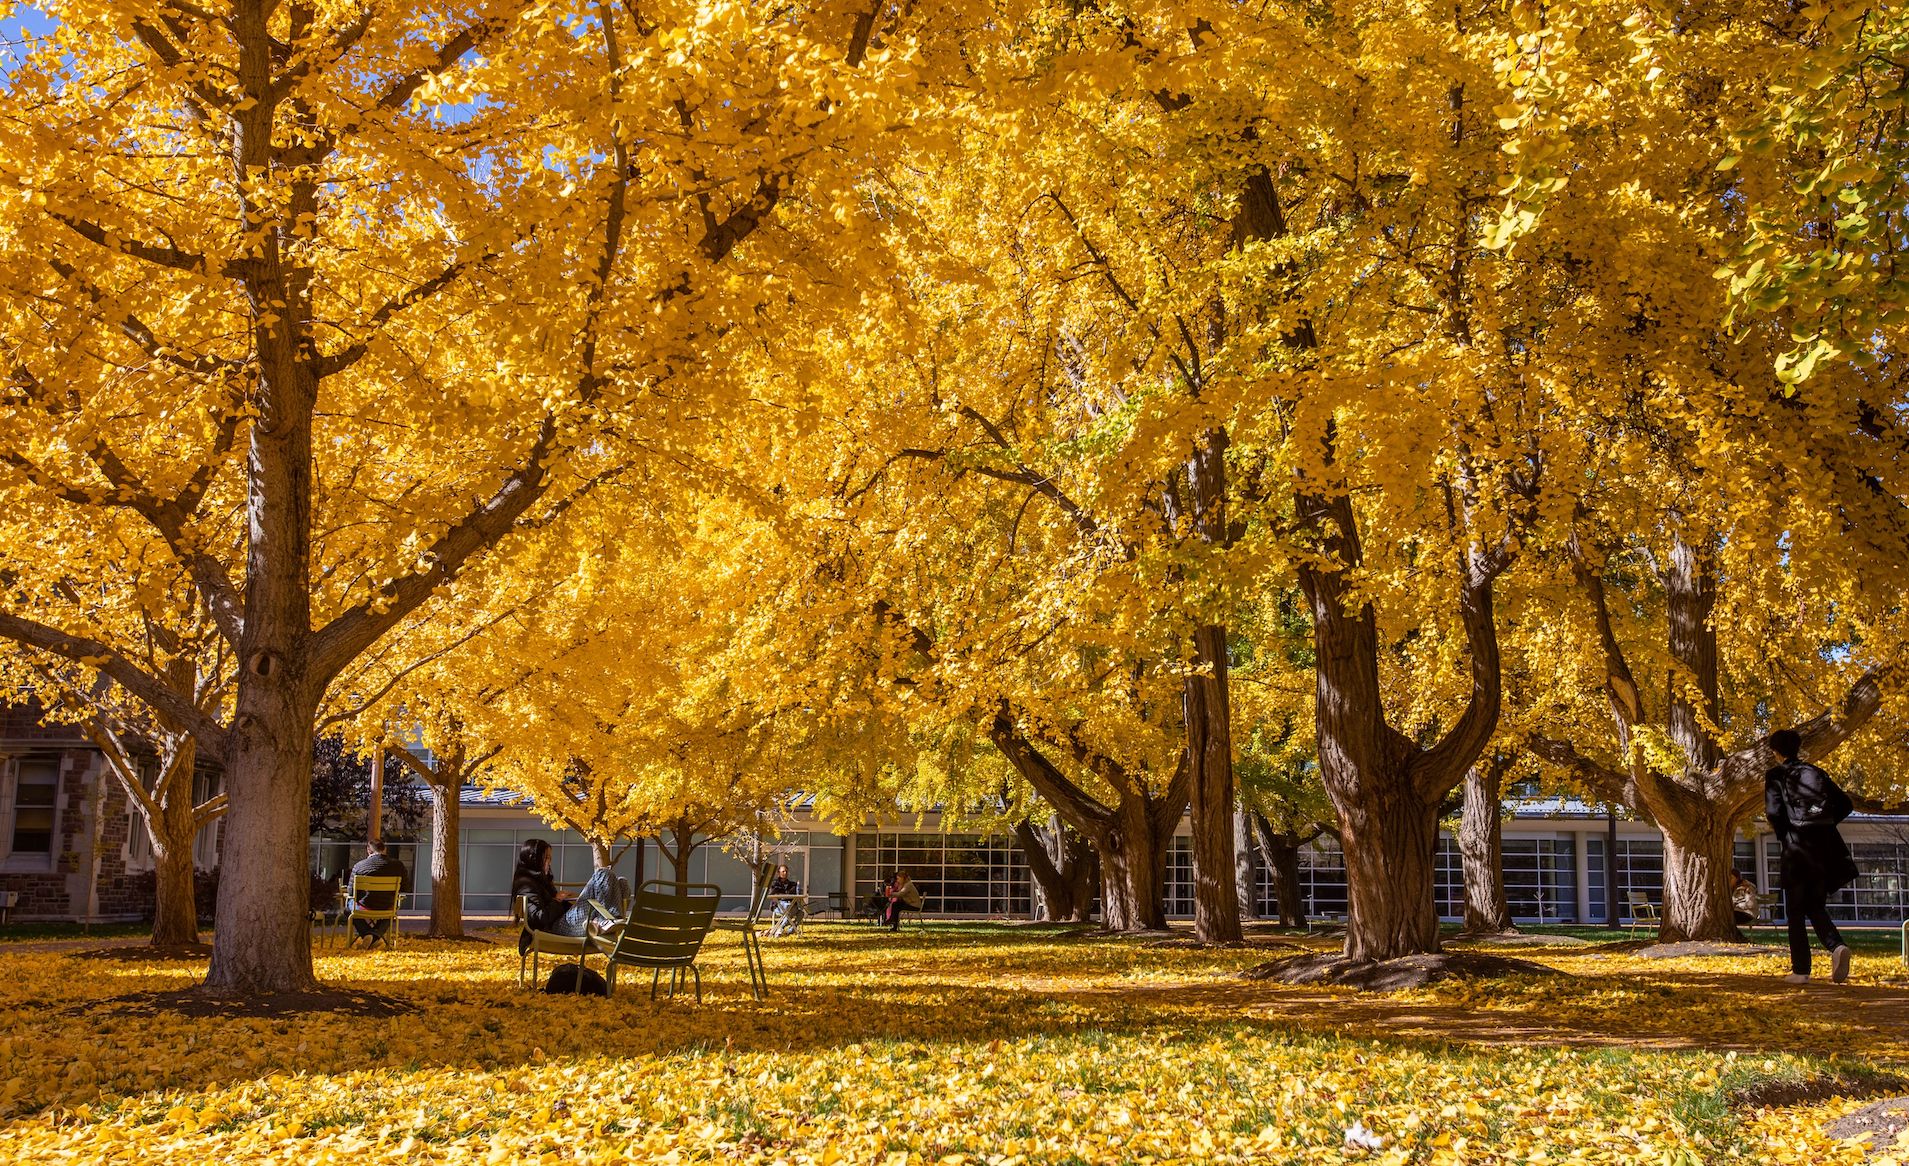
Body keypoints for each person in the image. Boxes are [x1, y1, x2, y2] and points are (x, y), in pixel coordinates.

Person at [1764, 728, 1858, 985]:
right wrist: (1824, 825)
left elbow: (1773, 812)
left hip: (1797, 850)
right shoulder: (1816, 772)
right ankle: (1837, 946)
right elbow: (1846, 804)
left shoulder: (1776, 775)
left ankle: (1801, 970)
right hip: (1824, 849)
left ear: (1776, 752)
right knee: (1814, 905)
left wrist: (1788, 834)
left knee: (1795, 910)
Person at [511, 839, 626, 953]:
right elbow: (540, 918)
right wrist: (557, 900)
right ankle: (607, 921)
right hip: (555, 929)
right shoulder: (525, 885)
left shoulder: (541, 880)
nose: (549, 862)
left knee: (622, 883)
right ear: (533, 859)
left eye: (550, 858)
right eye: (546, 858)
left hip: (565, 922)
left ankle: (604, 922)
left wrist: (571, 900)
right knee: (603, 874)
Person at [348, 839, 406, 946]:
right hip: (387, 905)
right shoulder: (398, 865)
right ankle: (374, 935)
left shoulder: (359, 866)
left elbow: (351, 891)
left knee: (349, 907)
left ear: (368, 851)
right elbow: (406, 887)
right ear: (385, 849)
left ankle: (367, 934)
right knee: (392, 911)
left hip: (365, 905)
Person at [768, 864, 804, 937]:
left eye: (786, 871)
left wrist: (798, 889)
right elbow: (771, 894)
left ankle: (787, 930)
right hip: (778, 906)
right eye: (783, 871)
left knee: (801, 913)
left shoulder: (792, 884)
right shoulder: (774, 883)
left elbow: (796, 894)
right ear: (779, 873)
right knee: (788, 907)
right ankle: (781, 929)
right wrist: (782, 895)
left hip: (790, 906)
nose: (785, 873)